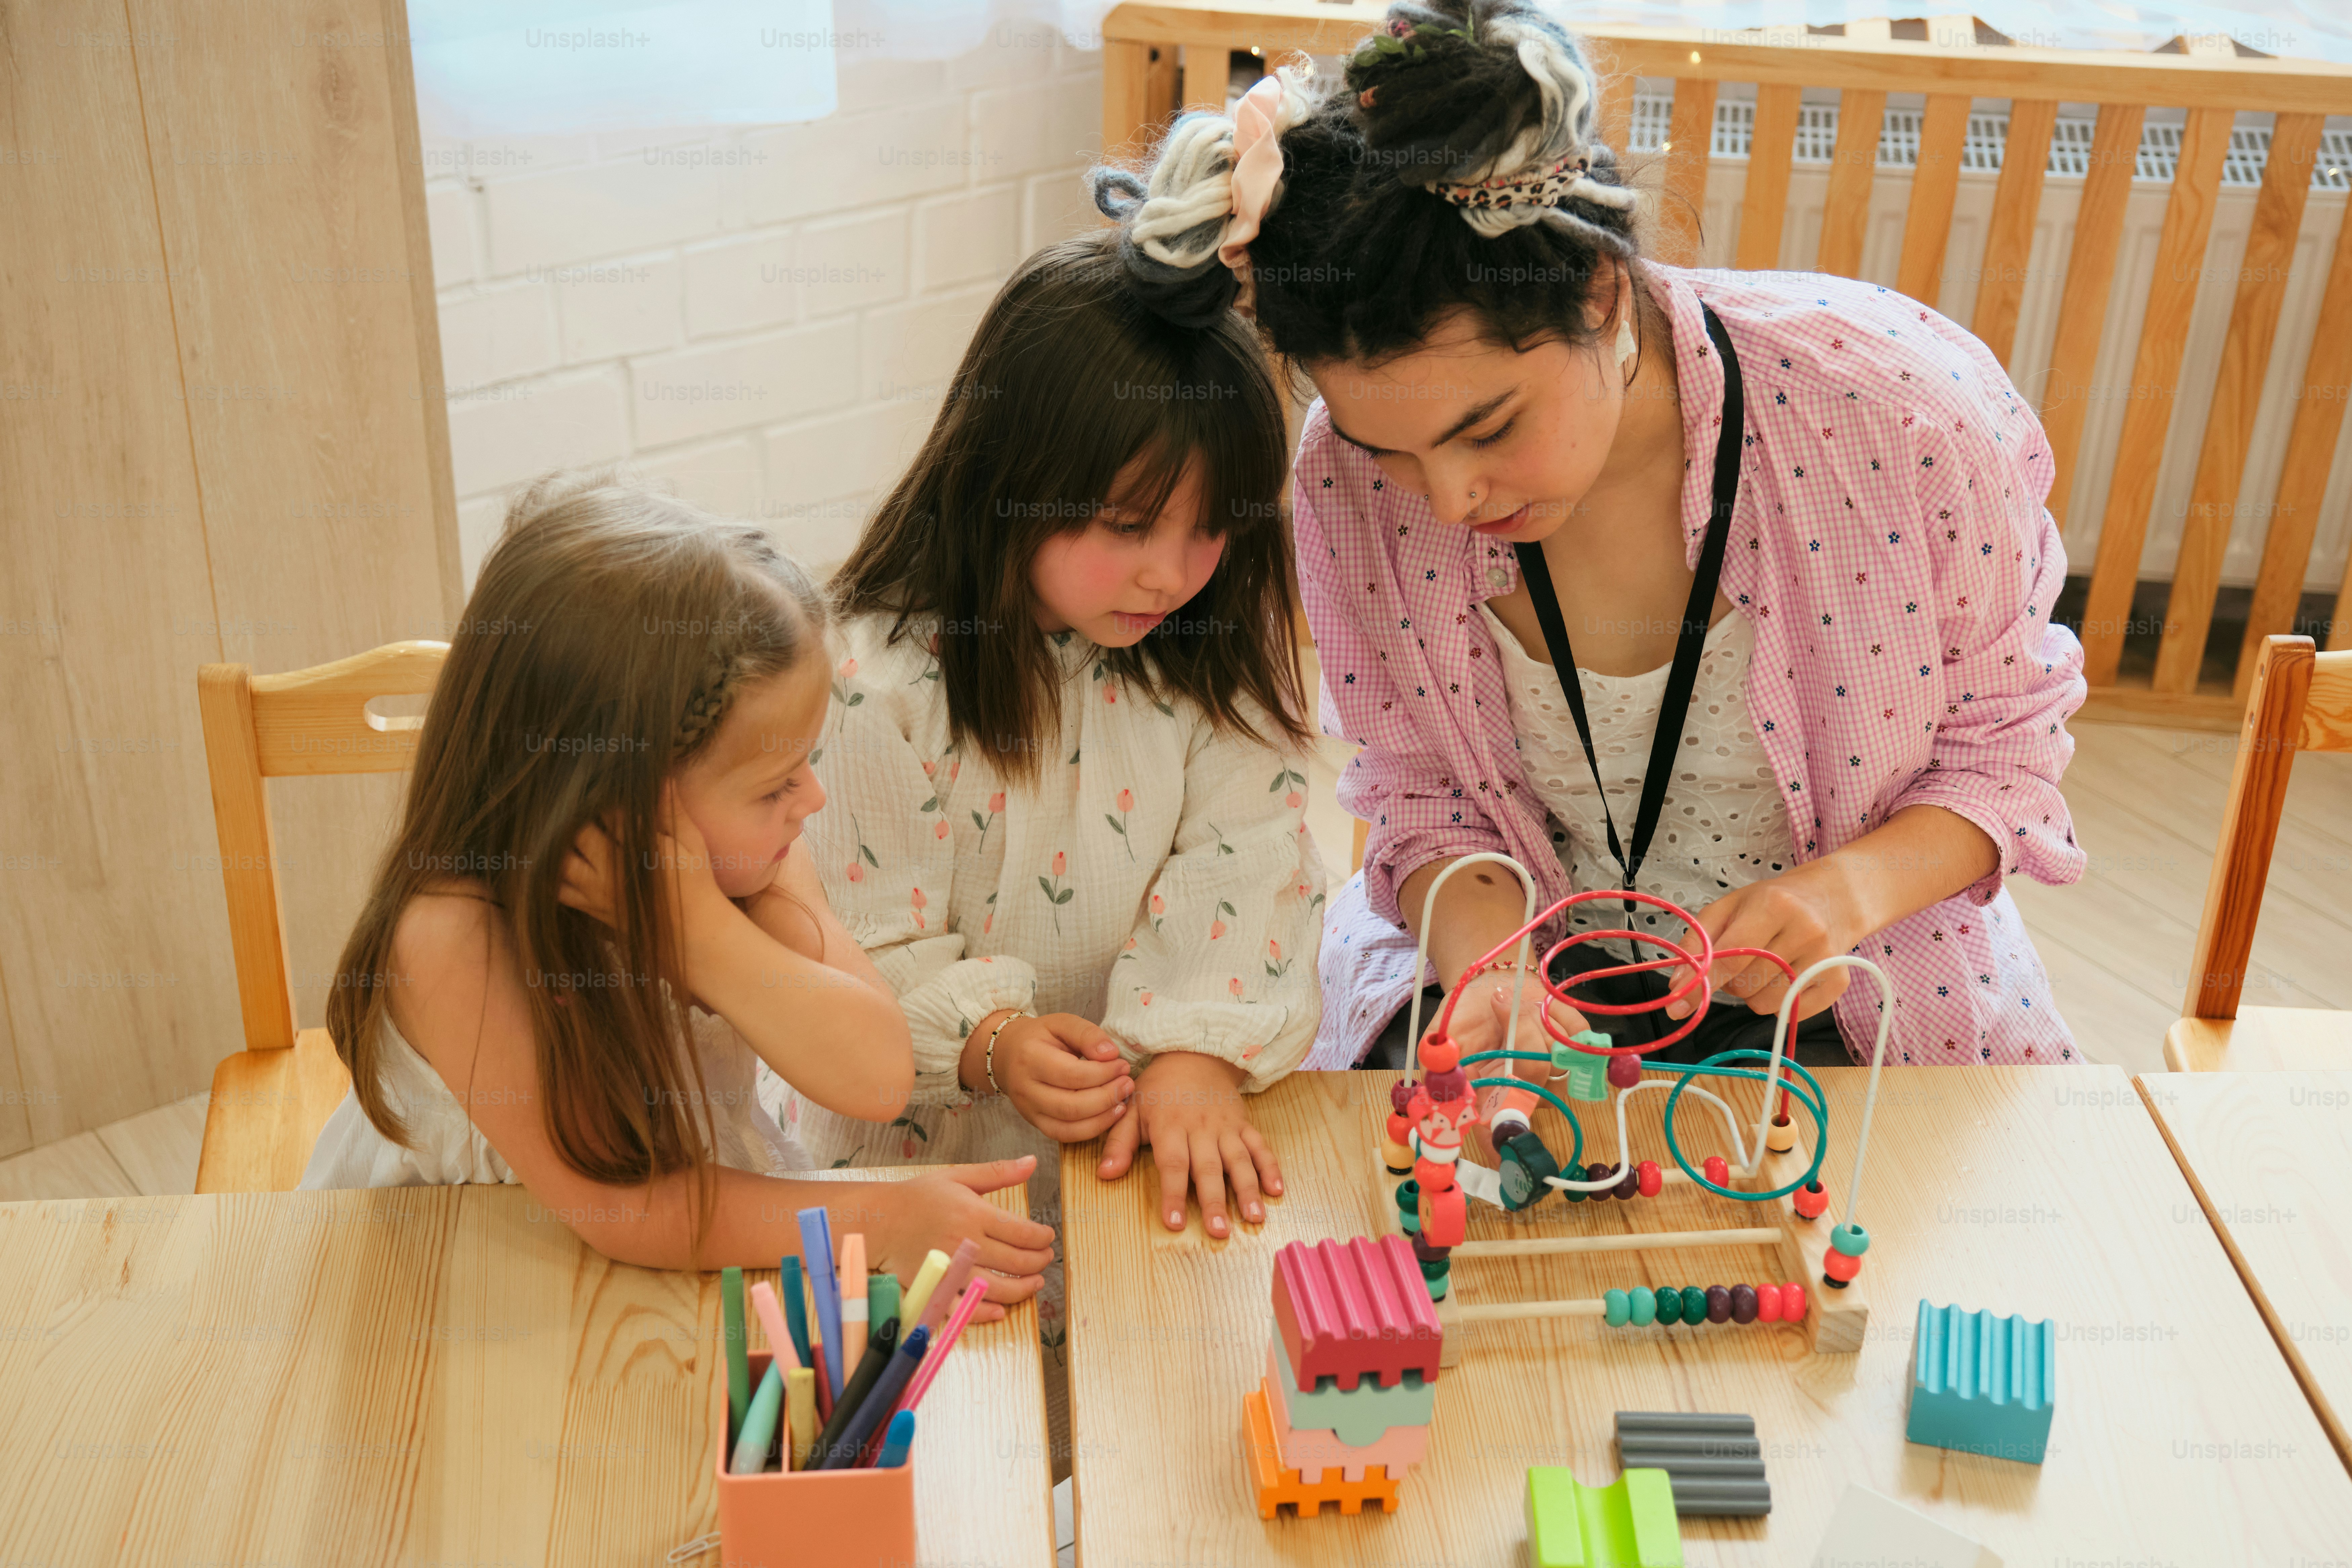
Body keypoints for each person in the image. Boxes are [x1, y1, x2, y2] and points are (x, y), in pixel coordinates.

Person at [1090, 0, 2090, 1096]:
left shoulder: (1896, 414)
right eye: (1396, 452)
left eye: (1489, 427)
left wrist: (1841, 893)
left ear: (1603, 296)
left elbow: (2005, 751)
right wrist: (1496, 968)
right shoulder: (1342, 477)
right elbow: (1420, 794)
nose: (1452, 496)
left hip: (1859, 988)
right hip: (1517, 1003)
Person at [771, 228, 1329, 1471]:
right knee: (947, 1460)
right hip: (922, 1174)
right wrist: (988, 1038)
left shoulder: (1203, 656)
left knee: (1156, 1456)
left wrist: (1194, 1052)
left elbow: (1251, 856)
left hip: (1134, 1155)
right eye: (1129, 523)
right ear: (1005, 475)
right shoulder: (868, 683)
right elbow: (845, 946)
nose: (1173, 573)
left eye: (1210, 531)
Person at [300, 470, 1054, 1319]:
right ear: (615, 804)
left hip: (686, 1249)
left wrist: (695, 929)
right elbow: (625, 1207)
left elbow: (877, 1077)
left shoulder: (748, 868)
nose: (811, 800)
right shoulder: (452, 940)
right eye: (775, 784)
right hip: (464, 1277)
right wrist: (878, 1220)